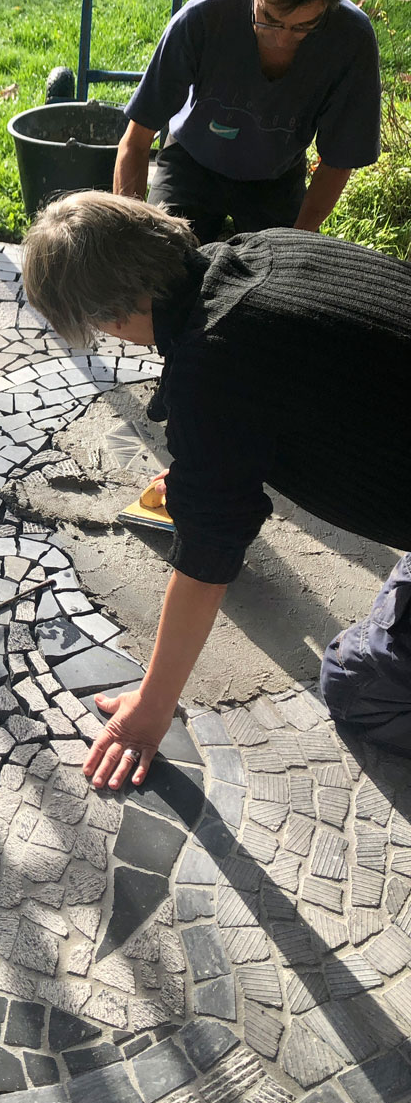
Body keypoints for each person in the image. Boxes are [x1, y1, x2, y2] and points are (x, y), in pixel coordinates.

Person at [20, 190, 411, 789]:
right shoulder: (265, 248)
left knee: (357, 684)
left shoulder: (216, 363)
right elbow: (311, 378)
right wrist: (208, 462)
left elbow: (208, 558)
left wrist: (151, 708)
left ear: (112, 316)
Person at [112, 0, 381, 243]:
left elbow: (337, 163)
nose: (282, 39)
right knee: (163, 256)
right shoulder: (202, 19)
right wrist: (132, 238)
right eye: (270, 19)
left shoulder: (351, 40)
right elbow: (136, 141)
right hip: (191, 160)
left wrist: (295, 243)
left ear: (329, 5)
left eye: (303, 27)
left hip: (277, 175)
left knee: (280, 267)